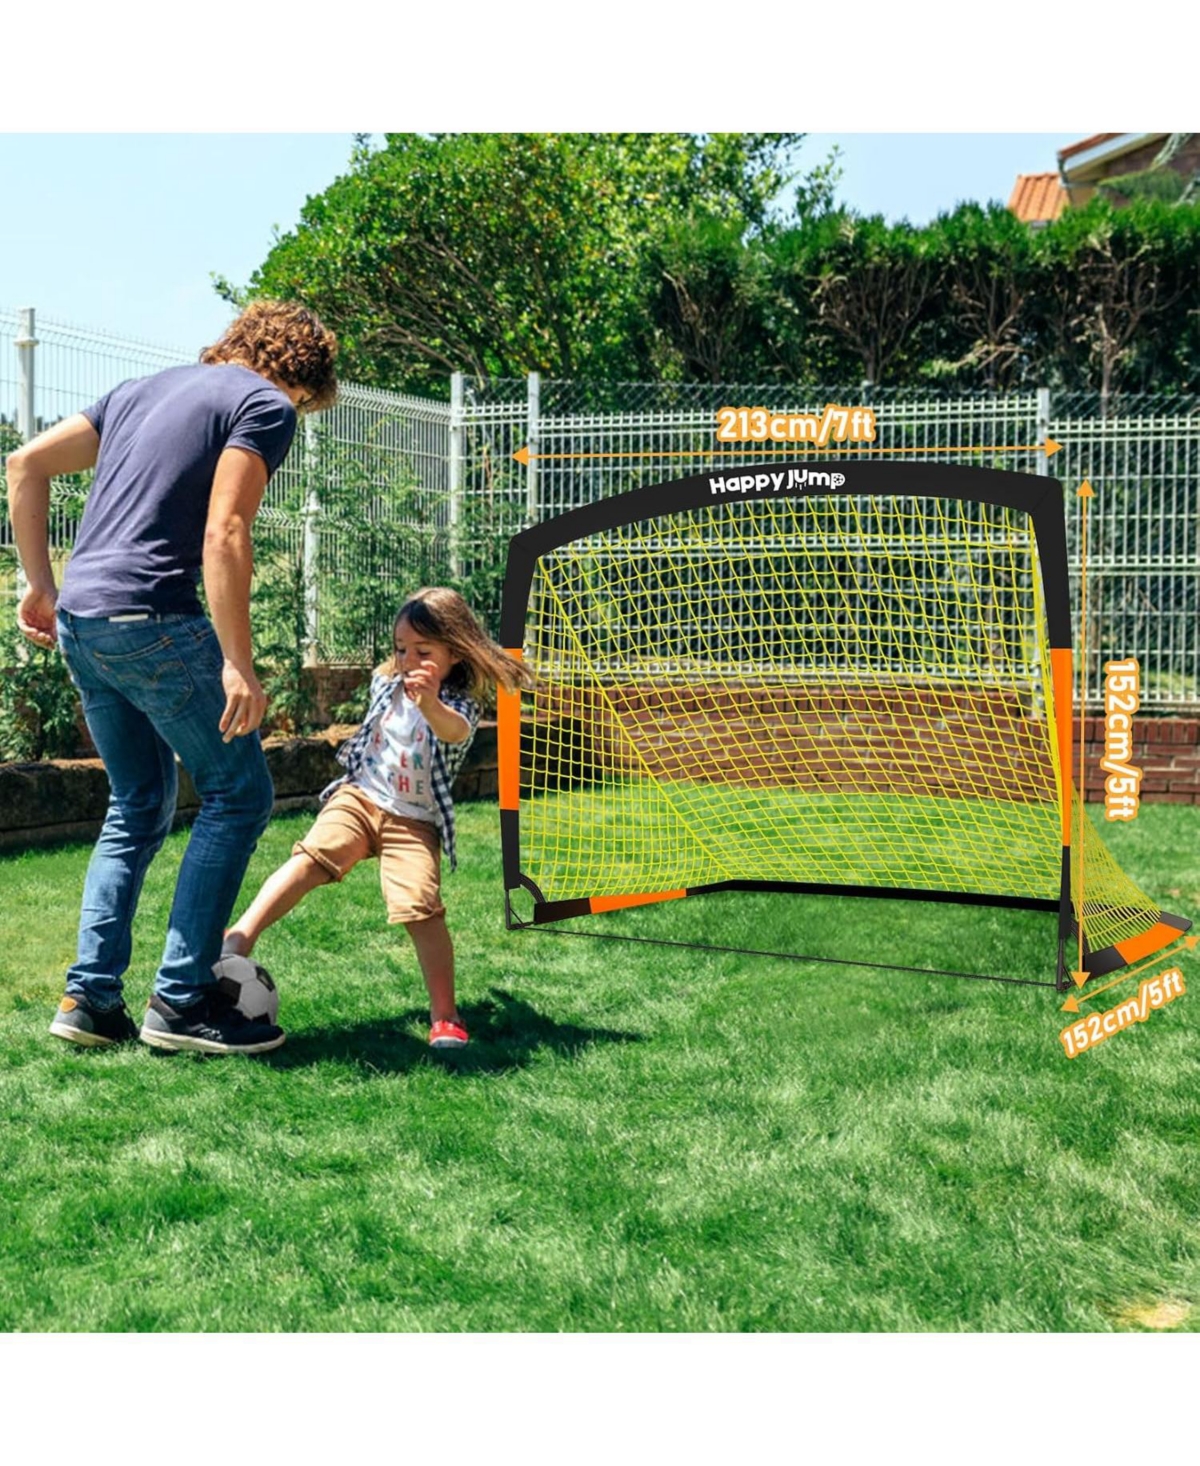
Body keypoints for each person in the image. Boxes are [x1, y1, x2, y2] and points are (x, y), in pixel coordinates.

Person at [5, 300, 338, 1055]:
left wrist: (39, 585)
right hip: (153, 619)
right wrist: (237, 662)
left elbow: (24, 464)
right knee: (239, 794)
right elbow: (227, 529)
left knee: (138, 802)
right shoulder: (263, 404)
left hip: (84, 622)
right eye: (305, 402)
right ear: (300, 379)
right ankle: (182, 1001)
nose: (297, 412)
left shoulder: (140, 391)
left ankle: (91, 1000)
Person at [222, 587, 531, 1048]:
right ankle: (238, 938)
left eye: (424, 652)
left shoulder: (459, 704)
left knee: (420, 906)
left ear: (455, 652)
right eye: (401, 649)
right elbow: (388, 679)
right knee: (310, 858)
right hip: (360, 798)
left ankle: (445, 1015)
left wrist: (429, 702)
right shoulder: (386, 682)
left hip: (414, 822)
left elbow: (453, 732)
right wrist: (405, 661)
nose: (409, 661)